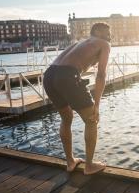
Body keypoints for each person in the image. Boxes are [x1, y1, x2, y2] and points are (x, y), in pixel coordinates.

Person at [43, 22, 111, 175]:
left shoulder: (79, 43)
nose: (109, 36)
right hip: (67, 75)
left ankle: (70, 162)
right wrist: (97, 105)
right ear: (98, 32)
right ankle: (89, 166)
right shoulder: (104, 44)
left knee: (66, 118)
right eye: (107, 32)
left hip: (49, 75)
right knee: (91, 119)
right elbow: (101, 75)